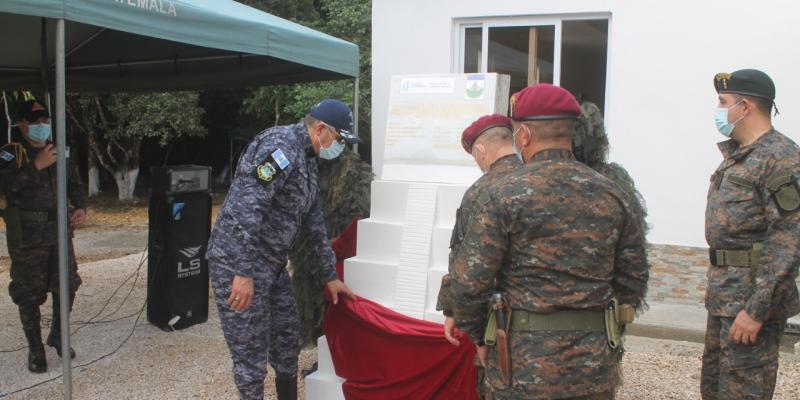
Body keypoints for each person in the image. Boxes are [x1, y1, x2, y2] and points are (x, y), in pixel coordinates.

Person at [449, 84, 649, 399]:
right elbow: (633, 280)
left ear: (524, 135)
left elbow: (468, 284)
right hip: (594, 363)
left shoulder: (502, 195)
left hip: (521, 365)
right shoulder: (613, 194)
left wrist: (481, 337)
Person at [205, 99, 357, 400]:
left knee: (287, 341)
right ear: (321, 128)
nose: (339, 148)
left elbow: (313, 222)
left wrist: (330, 275)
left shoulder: (309, 159)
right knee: (250, 355)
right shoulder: (280, 148)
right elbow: (247, 208)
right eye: (339, 140)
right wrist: (243, 273)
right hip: (238, 263)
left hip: (272, 268)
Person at [701, 69, 800, 400]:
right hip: (725, 297)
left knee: (744, 391)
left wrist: (757, 309)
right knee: (714, 389)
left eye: (723, 102)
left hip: (749, 302)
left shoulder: (780, 157)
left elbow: (789, 238)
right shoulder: (739, 155)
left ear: (745, 107)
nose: (718, 110)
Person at [436, 114, 521, 399]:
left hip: (498, 324)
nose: (478, 163)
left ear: (482, 151)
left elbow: (463, 262)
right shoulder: (537, 180)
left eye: (475, 156)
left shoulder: (481, 191)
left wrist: (454, 312)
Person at [0, 99, 86, 373]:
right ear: (22, 125)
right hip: (29, 237)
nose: (42, 126)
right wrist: (36, 165)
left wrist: (80, 207)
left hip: (59, 233)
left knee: (67, 284)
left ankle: (59, 335)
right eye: (36, 122)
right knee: (28, 294)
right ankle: (35, 350)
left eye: (46, 122)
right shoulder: (11, 154)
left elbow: (75, 183)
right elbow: (6, 190)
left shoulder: (59, 151)